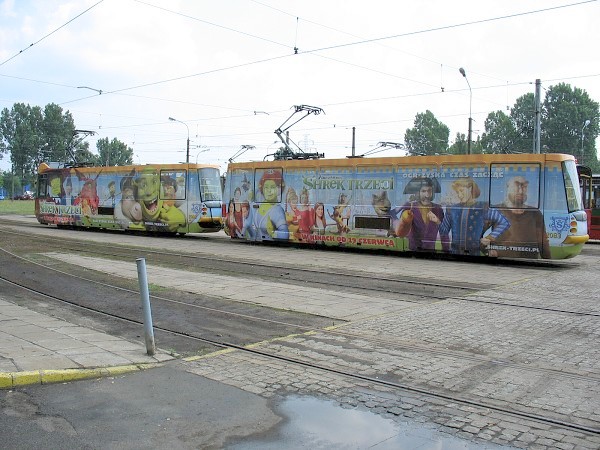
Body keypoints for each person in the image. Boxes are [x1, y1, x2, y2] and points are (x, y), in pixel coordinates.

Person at [439, 177, 509, 256]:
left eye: (461, 191)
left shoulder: (483, 207)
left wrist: (490, 237)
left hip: (475, 253)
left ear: (470, 188)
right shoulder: (452, 209)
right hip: (455, 253)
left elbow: (504, 222)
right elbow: (444, 232)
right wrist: (437, 222)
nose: (459, 195)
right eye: (457, 192)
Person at [490, 176, 551, 259]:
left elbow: (543, 241)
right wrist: (488, 251)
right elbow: (477, 235)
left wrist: (548, 261)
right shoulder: (496, 210)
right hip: (501, 263)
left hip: (529, 264)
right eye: (516, 186)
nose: (521, 191)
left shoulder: (535, 213)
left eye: (524, 186)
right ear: (507, 188)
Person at [394, 178, 449, 252]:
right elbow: (400, 233)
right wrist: (405, 219)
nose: (427, 195)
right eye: (423, 191)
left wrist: (446, 249)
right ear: (418, 193)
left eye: (429, 191)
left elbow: (444, 232)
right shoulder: (410, 207)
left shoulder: (438, 209)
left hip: (431, 252)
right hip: (413, 251)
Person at [247, 170, 288, 240]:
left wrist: (272, 233)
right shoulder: (257, 205)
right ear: (262, 189)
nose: (269, 190)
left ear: (278, 189)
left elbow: (285, 234)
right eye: (266, 187)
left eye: (272, 187)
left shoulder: (277, 210)